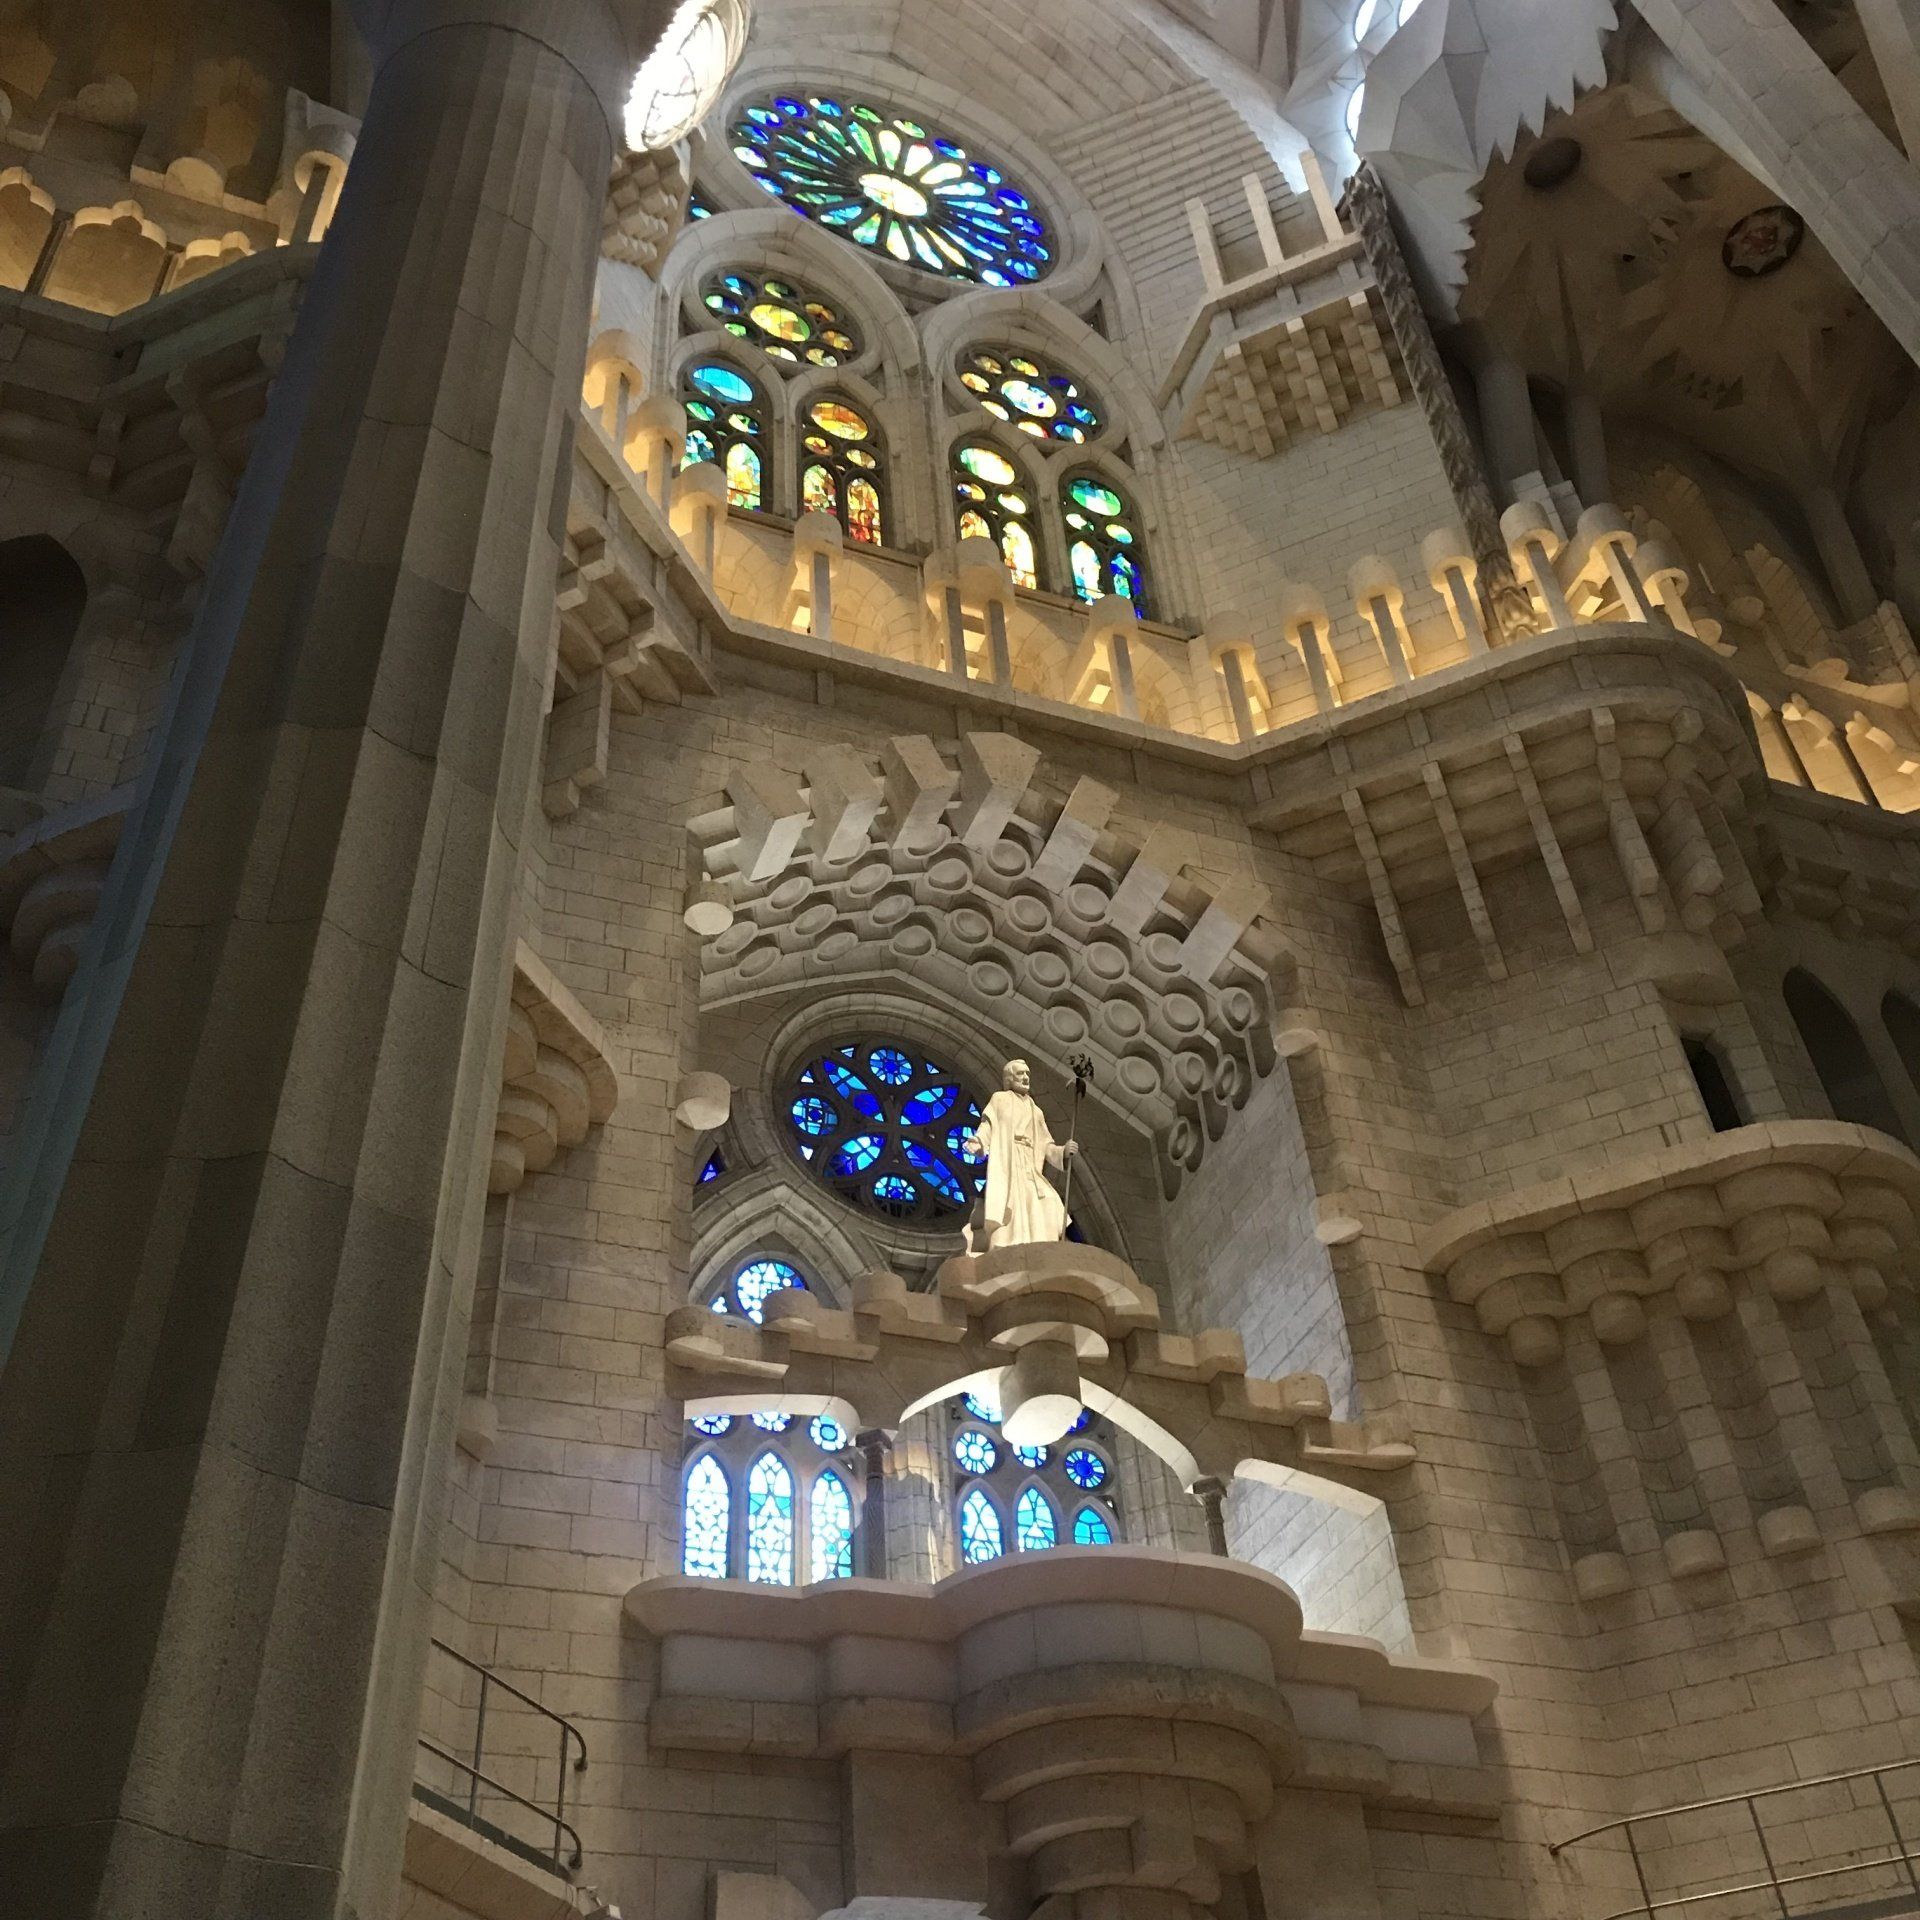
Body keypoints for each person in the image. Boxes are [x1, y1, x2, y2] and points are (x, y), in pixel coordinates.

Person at [962, 1058, 1077, 1248]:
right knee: (1011, 1203)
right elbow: (988, 1124)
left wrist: (1063, 1151)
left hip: (1029, 1164)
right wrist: (979, 1141)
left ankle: (1039, 1245)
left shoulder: (1036, 1111)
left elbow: (1046, 1144)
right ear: (1009, 1079)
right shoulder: (1000, 1099)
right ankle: (1006, 1243)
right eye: (1020, 1074)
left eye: (1027, 1074)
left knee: (1048, 1201)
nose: (1025, 1078)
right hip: (1009, 1160)